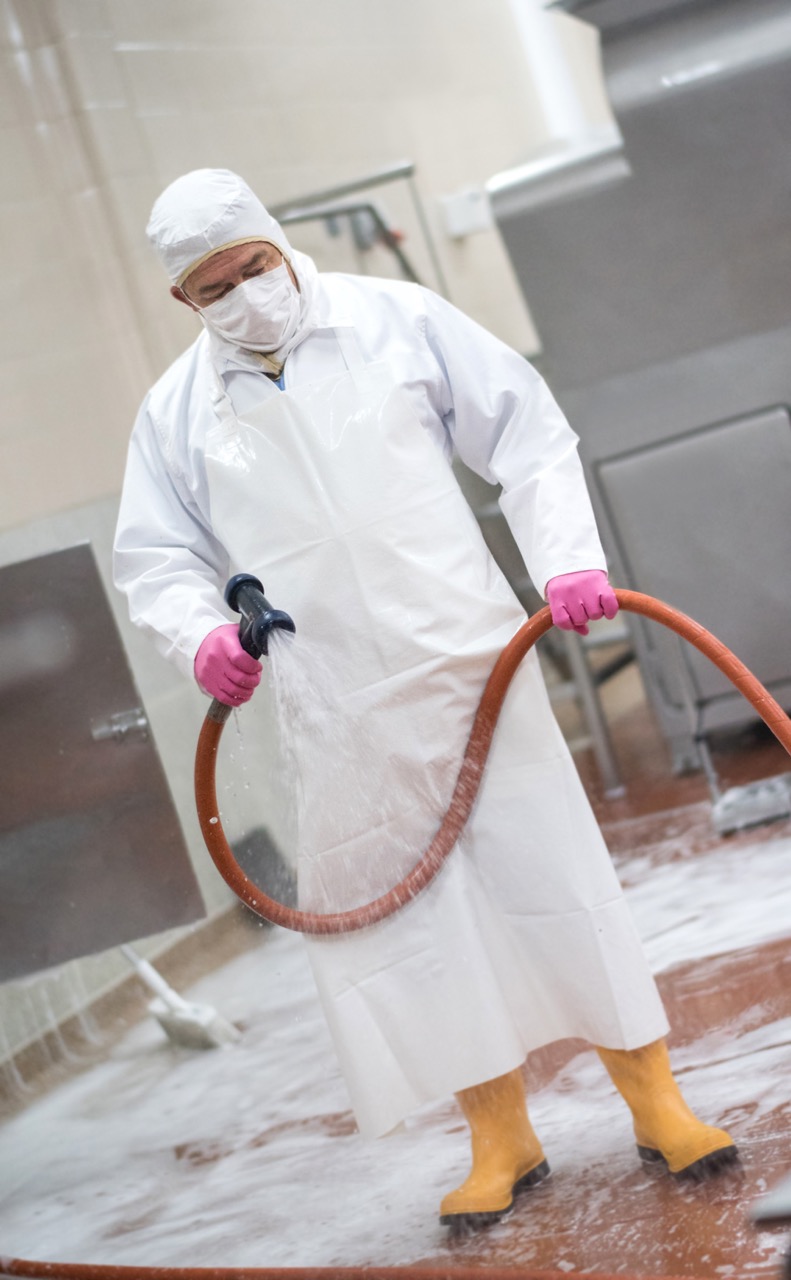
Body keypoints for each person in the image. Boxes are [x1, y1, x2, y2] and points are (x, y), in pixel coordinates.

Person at [114, 168, 737, 1230]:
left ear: (279, 244)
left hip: (466, 660)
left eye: (253, 267)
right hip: (337, 706)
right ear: (184, 300)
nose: (244, 295)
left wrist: (563, 559)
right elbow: (154, 557)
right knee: (415, 926)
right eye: (215, 288)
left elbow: (523, 430)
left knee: (553, 876)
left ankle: (655, 1100)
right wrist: (199, 635)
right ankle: (499, 1136)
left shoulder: (393, 319)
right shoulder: (174, 414)